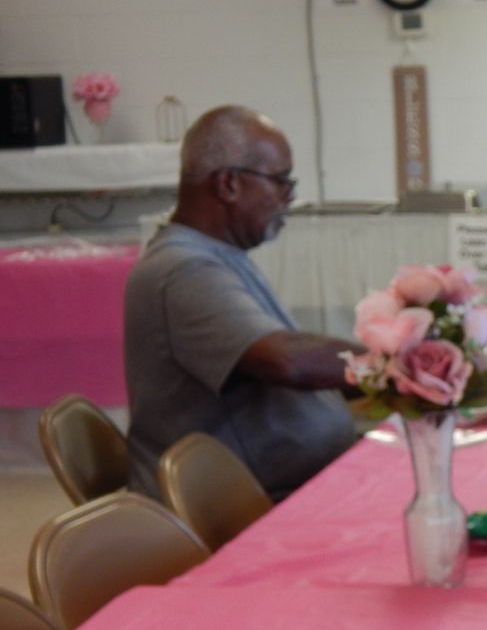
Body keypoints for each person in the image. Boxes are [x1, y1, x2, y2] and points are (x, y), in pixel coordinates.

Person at [124, 105, 360, 502]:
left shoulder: (215, 255)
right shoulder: (183, 270)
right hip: (244, 504)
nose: (290, 196)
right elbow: (286, 360)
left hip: (287, 482)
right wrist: (394, 366)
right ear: (229, 184)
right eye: (281, 180)